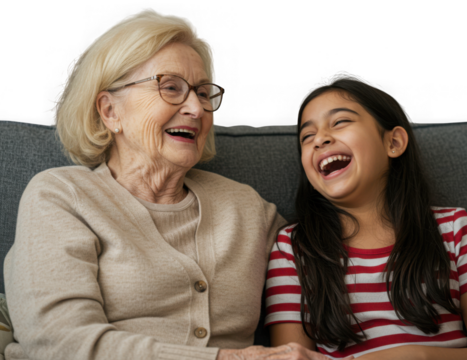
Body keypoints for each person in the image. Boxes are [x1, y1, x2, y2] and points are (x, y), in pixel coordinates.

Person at [1, 7, 307, 360]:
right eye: (171, 87)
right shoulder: (62, 196)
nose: (195, 108)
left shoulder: (246, 208)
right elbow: (58, 342)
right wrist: (230, 358)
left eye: (203, 93)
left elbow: (328, 263)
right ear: (110, 111)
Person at [264, 71, 467, 359]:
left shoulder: (456, 230)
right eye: (307, 136)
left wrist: (415, 357)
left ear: (393, 143)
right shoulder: (293, 247)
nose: (319, 139)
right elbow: (291, 356)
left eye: (340, 122)